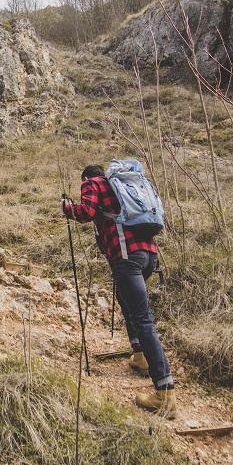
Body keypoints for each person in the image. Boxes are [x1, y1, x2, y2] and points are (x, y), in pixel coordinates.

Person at [62, 164, 176, 418]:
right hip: (148, 255)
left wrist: (67, 209)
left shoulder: (94, 183)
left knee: (143, 319)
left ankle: (165, 392)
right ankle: (139, 356)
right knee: (127, 302)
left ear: (87, 177)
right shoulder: (123, 189)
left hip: (127, 256)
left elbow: (86, 212)